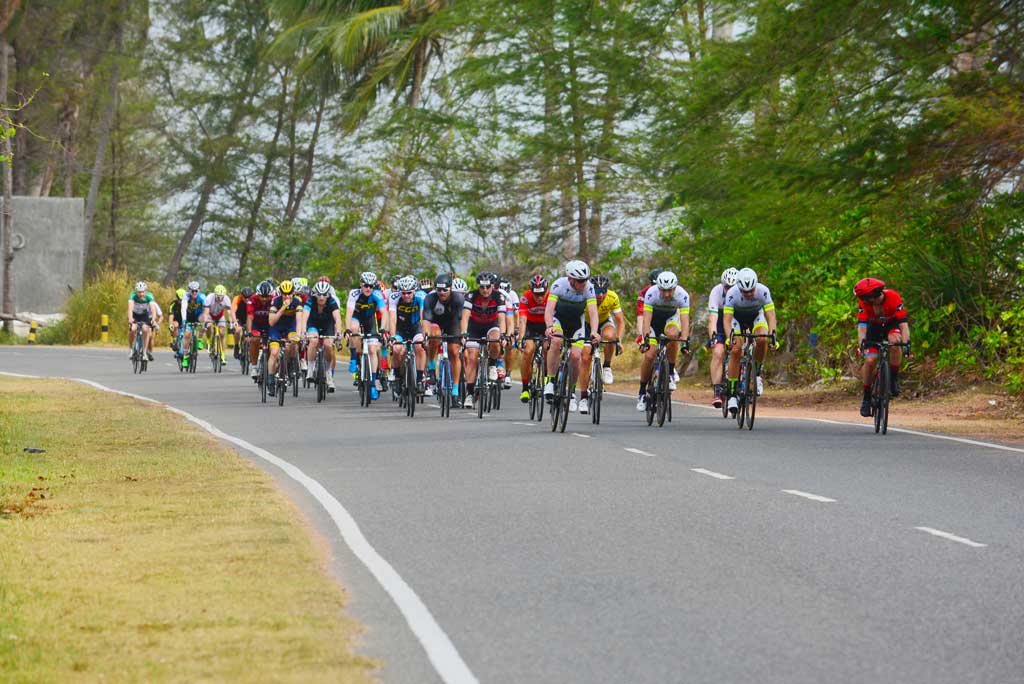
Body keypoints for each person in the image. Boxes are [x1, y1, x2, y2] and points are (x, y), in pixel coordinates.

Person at [543, 260, 601, 414]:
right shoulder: (559, 285)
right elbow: (549, 310)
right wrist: (549, 326)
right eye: (581, 281)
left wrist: (595, 331)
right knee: (556, 340)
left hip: (576, 323)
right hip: (558, 320)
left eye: (586, 279)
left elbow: (593, 312)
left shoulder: (588, 288)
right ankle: (550, 380)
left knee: (576, 356)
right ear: (571, 279)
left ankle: (571, 392)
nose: (584, 283)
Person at [722, 268, 778, 416]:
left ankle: (757, 374)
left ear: (756, 286)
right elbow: (727, 319)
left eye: (751, 291)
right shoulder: (732, 293)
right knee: (735, 349)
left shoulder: (763, 291)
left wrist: (773, 336)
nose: (748, 294)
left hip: (756, 316)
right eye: (744, 292)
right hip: (737, 319)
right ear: (739, 288)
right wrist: (730, 338)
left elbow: (771, 316)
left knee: (762, 339)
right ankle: (733, 393)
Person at [854, 277, 910, 417]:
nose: (862, 300)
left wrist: (906, 344)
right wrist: (862, 344)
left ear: (872, 296)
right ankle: (867, 397)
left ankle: (893, 379)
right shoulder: (864, 303)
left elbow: (903, 325)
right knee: (870, 360)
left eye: (864, 297)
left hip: (891, 326)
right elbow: (862, 328)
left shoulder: (893, 297)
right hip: (873, 329)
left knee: (895, 342)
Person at [636, 271, 691, 410]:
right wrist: (645, 339)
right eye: (663, 290)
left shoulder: (682, 295)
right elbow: (646, 319)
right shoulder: (651, 293)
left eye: (670, 290)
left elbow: (684, 320)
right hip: (653, 322)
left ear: (675, 287)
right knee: (649, 355)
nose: (666, 294)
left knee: (673, 334)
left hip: (670, 319)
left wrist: (685, 341)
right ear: (658, 288)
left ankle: (671, 372)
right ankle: (642, 391)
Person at [460, 272, 507, 410]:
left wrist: (503, 335)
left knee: (495, 339)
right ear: (478, 287)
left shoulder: (499, 296)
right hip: (474, 327)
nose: (485, 290)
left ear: (492, 286)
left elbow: (502, 318)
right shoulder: (471, 296)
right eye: (482, 287)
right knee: (472, 357)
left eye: (488, 287)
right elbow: (465, 317)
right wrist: (463, 333)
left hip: (491, 326)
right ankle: (469, 393)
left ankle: (492, 364)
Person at [422, 273, 466, 403]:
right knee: (433, 335)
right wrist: (425, 338)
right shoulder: (430, 299)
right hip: (436, 323)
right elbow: (426, 321)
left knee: (454, 352)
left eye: (445, 290)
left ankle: (456, 389)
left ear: (450, 288)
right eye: (439, 290)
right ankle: (431, 366)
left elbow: (462, 319)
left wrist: (463, 334)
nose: (441, 293)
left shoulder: (458, 299)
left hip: (453, 323)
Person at [345, 271, 388, 400]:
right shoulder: (354, 294)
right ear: (361, 285)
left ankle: (373, 383)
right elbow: (349, 312)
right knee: (354, 329)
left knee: (373, 349)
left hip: (370, 321)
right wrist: (347, 329)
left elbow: (384, 313)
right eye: (365, 285)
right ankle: (354, 358)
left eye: (371, 286)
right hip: (356, 317)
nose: (368, 288)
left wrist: (382, 329)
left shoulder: (377, 294)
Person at [301, 279, 343, 392]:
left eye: (324, 295)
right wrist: (303, 332)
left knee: (328, 346)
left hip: (327, 326)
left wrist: (338, 333)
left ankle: (328, 372)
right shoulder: (310, 301)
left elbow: (337, 318)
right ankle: (310, 369)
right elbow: (304, 317)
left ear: (328, 295)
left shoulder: (332, 302)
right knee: (313, 341)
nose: (321, 297)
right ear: (315, 294)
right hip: (313, 324)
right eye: (319, 294)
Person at [388, 275, 428, 393]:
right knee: (396, 349)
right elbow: (392, 318)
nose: (406, 296)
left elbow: (423, 317)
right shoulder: (394, 297)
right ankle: (396, 375)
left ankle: (420, 379)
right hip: (400, 329)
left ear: (414, 290)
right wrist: (392, 336)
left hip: (416, 328)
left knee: (420, 347)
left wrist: (425, 336)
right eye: (403, 293)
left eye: (409, 293)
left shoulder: (421, 297)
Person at [706, 267, 739, 408]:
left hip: (736, 320)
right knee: (718, 352)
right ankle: (717, 391)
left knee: (739, 349)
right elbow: (713, 319)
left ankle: (742, 381)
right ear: (722, 285)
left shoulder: (742, 293)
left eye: (733, 287)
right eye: (727, 287)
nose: (729, 289)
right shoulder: (716, 292)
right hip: (720, 321)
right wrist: (713, 337)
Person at [267, 280, 303, 396]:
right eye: (284, 293)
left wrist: (298, 334)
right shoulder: (276, 302)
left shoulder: (297, 302)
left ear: (293, 292)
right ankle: (271, 379)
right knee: (274, 352)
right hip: (276, 328)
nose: (287, 296)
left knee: (292, 344)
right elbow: (271, 322)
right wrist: (283, 308)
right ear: (280, 293)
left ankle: (290, 364)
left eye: (289, 293)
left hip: (290, 328)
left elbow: (299, 320)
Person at [517, 274, 549, 403]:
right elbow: (522, 320)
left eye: (542, 293)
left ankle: (548, 378)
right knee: (528, 350)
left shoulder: (551, 297)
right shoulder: (526, 297)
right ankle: (525, 388)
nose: (540, 297)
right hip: (530, 326)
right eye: (537, 294)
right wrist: (521, 339)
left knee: (549, 347)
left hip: (547, 325)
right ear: (531, 291)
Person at [592, 275, 625, 384]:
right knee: (586, 353)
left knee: (610, 336)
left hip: (604, 321)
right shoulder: (585, 296)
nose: (600, 295)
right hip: (586, 323)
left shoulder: (612, 297)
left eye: (603, 291)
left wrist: (619, 340)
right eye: (597, 291)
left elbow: (620, 321)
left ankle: (606, 366)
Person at [245, 281, 274, 379]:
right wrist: (249, 333)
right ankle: (254, 367)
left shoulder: (274, 299)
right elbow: (250, 317)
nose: (265, 299)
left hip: (270, 325)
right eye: (262, 296)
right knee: (255, 339)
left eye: (267, 297)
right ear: (258, 295)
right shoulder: (252, 300)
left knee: (273, 344)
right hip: (256, 325)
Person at [127, 281, 157, 362]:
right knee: (132, 329)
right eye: (139, 292)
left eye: (143, 292)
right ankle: (131, 349)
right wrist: (130, 319)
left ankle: (144, 352)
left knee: (145, 329)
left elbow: (153, 310)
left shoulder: (149, 296)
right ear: (136, 291)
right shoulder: (132, 296)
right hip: (135, 315)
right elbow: (130, 309)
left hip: (144, 315)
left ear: (145, 291)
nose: (141, 294)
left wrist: (153, 319)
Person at [203, 284, 233, 364]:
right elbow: (206, 312)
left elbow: (230, 313)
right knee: (209, 326)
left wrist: (231, 322)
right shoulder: (209, 298)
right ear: (215, 294)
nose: (220, 298)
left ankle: (223, 355)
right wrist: (206, 321)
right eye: (218, 296)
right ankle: (209, 342)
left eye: (221, 296)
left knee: (222, 332)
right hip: (210, 315)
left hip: (220, 316)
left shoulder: (226, 299)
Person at [497, 277, 518, 389]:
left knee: (510, 343)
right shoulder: (493, 295)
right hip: (495, 318)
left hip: (507, 317)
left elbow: (516, 314)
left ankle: (508, 374)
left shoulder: (512, 295)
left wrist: (517, 329)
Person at [181, 281, 206, 369]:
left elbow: (206, 309)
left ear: (199, 290)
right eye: (192, 291)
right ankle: (185, 356)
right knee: (187, 334)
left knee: (204, 320)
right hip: (189, 317)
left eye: (196, 291)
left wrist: (205, 321)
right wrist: (184, 321)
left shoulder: (202, 297)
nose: (194, 293)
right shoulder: (186, 297)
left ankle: (199, 339)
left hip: (199, 316)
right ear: (189, 291)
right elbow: (183, 309)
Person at [232, 286, 254, 359]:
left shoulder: (254, 299)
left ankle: (247, 349)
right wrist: (235, 321)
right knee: (237, 331)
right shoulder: (237, 298)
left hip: (250, 318)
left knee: (250, 335)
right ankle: (236, 346)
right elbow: (233, 311)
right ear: (241, 296)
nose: (247, 299)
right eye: (245, 297)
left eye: (248, 298)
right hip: (240, 318)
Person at [169, 288, 186, 353]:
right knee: (175, 325)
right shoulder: (173, 304)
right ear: (177, 298)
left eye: (183, 300)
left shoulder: (188, 303)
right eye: (180, 300)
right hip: (176, 320)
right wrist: (171, 325)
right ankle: (175, 340)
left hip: (185, 320)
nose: (181, 301)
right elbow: (171, 316)